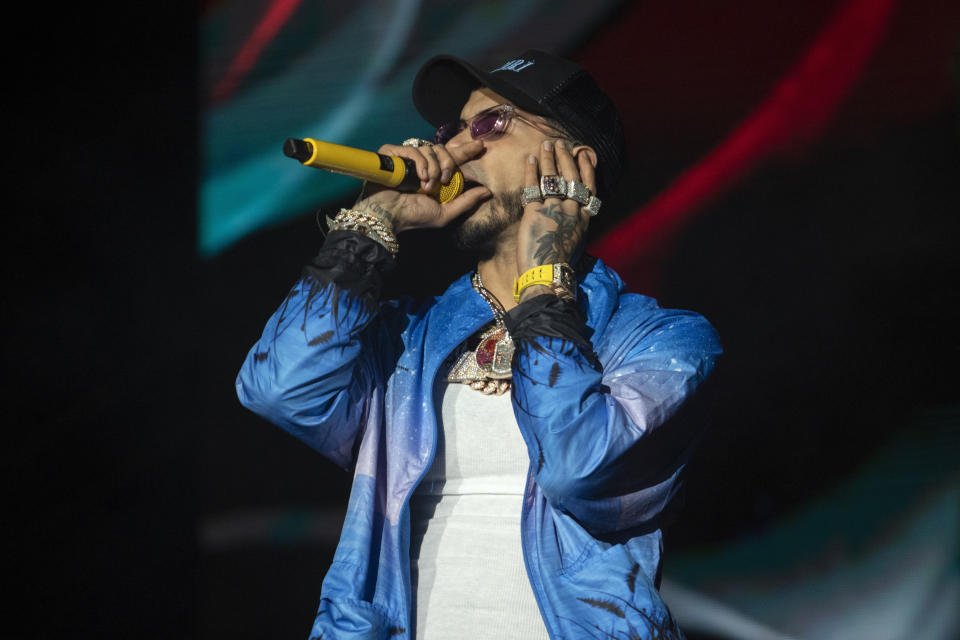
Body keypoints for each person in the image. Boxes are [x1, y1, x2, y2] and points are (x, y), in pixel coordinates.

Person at [237, 49, 721, 640]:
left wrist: (543, 276)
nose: (456, 149)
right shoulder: (407, 340)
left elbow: (579, 472)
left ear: (575, 166)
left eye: (491, 123)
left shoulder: (662, 339)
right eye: (451, 130)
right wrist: (371, 224)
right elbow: (279, 389)